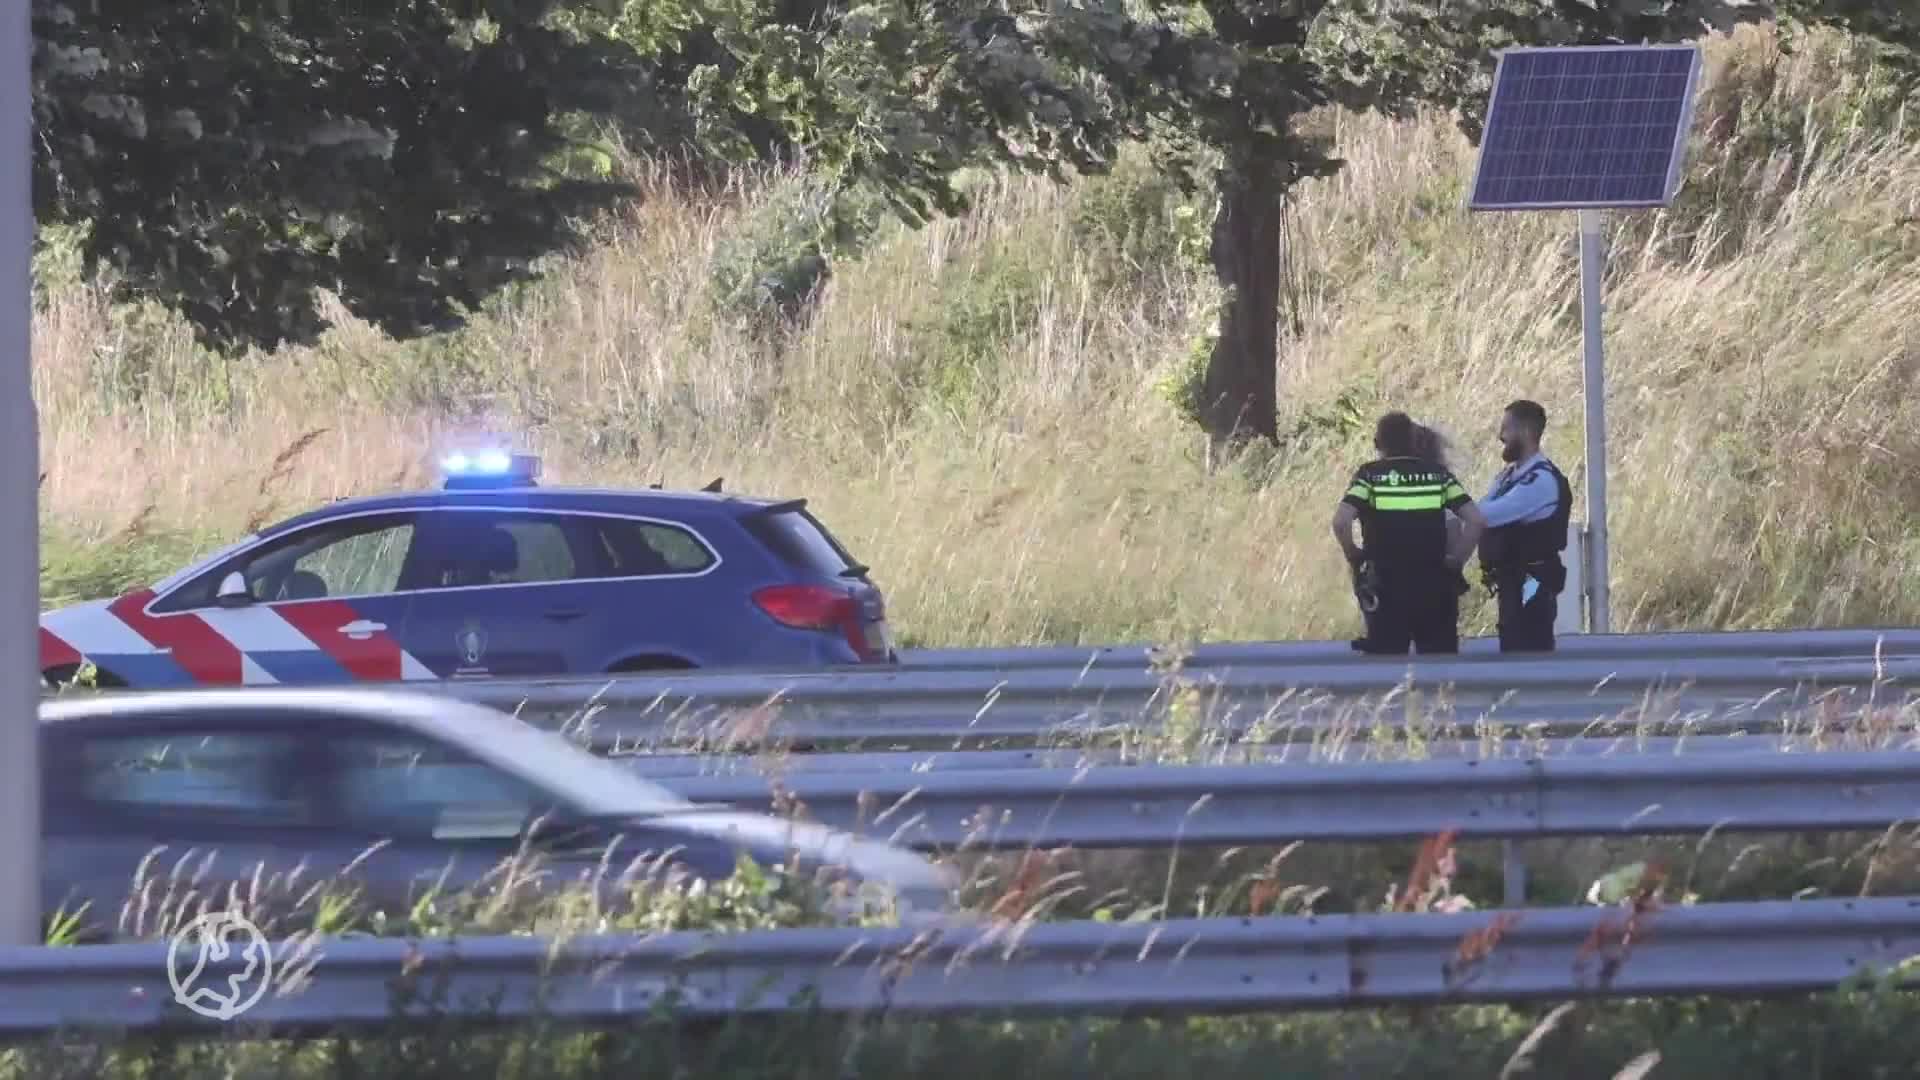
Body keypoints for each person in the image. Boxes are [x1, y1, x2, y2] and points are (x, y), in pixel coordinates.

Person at [1333, 412, 1486, 655]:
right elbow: (1476, 520)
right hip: (1434, 584)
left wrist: (1355, 556)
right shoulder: (1438, 475)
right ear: (1414, 441)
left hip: (1386, 585)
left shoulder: (1370, 476)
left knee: (1388, 667)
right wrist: (1455, 562)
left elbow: (1341, 522)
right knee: (1440, 669)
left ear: (1377, 443)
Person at [1476, 399, 1573, 652]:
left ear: (1526, 432)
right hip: (1511, 577)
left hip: (1533, 579)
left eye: (1506, 429)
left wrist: (1448, 511)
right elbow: (1479, 510)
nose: (1501, 436)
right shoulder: (1508, 476)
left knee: (1529, 636)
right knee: (1512, 634)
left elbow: (1486, 515)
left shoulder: (1540, 480)